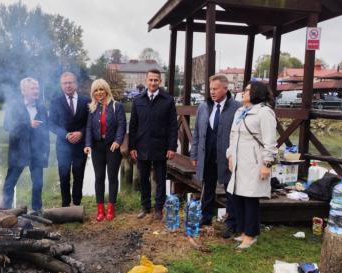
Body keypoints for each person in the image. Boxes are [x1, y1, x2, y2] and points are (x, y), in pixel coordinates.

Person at [226, 81, 277, 249]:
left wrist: (267, 164)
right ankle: (242, 232)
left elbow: (270, 141)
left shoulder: (264, 113)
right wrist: (230, 155)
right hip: (240, 162)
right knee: (238, 197)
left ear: (256, 93)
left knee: (250, 199)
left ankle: (250, 235)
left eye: (247, 90)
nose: (243, 92)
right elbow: (233, 136)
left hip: (254, 162)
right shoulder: (240, 111)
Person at [190, 74, 240, 238]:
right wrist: (194, 154)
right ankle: (205, 218)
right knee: (207, 187)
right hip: (207, 155)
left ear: (225, 89)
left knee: (230, 190)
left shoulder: (237, 108)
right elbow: (196, 133)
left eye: (215, 89)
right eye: (210, 89)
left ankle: (231, 223)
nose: (212, 92)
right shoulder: (203, 107)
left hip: (227, 157)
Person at [129, 68, 178, 220]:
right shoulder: (138, 100)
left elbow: (172, 126)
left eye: (156, 80)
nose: (153, 82)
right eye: (150, 80)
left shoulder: (168, 100)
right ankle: (145, 206)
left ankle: (158, 208)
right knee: (143, 178)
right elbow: (133, 126)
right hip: (142, 145)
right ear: (146, 81)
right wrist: (132, 147)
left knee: (160, 178)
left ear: (160, 81)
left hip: (160, 146)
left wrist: (171, 147)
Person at [2, 77, 49, 215]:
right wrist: (28, 124)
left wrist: (46, 151)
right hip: (18, 151)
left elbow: (45, 130)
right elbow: (7, 126)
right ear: (23, 91)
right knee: (10, 182)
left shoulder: (41, 106)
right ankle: (5, 210)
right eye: (32, 88)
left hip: (37, 151)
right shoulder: (14, 106)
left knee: (38, 183)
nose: (36, 91)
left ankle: (37, 210)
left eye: (37, 88)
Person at [84, 79, 127, 221]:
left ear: (106, 90)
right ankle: (100, 209)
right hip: (97, 147)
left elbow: (122, 125)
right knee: (99, 177)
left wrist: (118, 141)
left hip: (112, 147)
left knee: (112, 177)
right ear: (93, 93)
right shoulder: (92, 108)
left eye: (101, 89)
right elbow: (89, 128)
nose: (99, 93)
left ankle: (111, 208)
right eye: (96, 90)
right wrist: (88, 144)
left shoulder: (117, 106)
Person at [49, 72, 90, 207]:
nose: (68, 85)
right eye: (65, 83)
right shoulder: (55, 102)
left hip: (80, 145)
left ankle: (77, 203)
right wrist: (66, 135)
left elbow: (90, 122)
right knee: (64, 175)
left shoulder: (86, 101)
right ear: (61, 85)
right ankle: (65, 204)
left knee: (79, 175)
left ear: (76, 84)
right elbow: (52, 124)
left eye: (70, 82)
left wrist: (81, 133)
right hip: (63, 145)